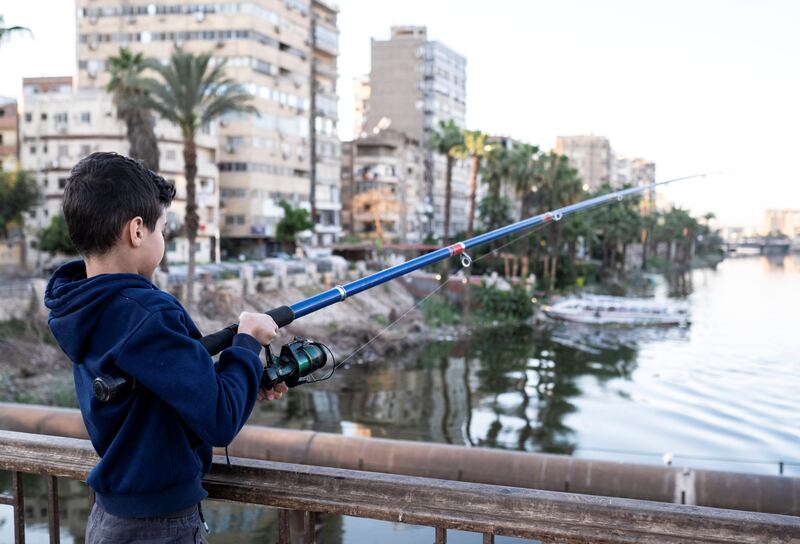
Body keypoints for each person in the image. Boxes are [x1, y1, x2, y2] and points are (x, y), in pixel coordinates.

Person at [44, 152, 286, 543]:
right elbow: (220, 421)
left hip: (110, 520)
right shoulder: (145, 311)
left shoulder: (84, 305)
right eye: (163, 230)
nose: (163, 240)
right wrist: (246, 342)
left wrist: (241, 376)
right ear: (137, 231)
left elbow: (157, 391)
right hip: (159, 527)